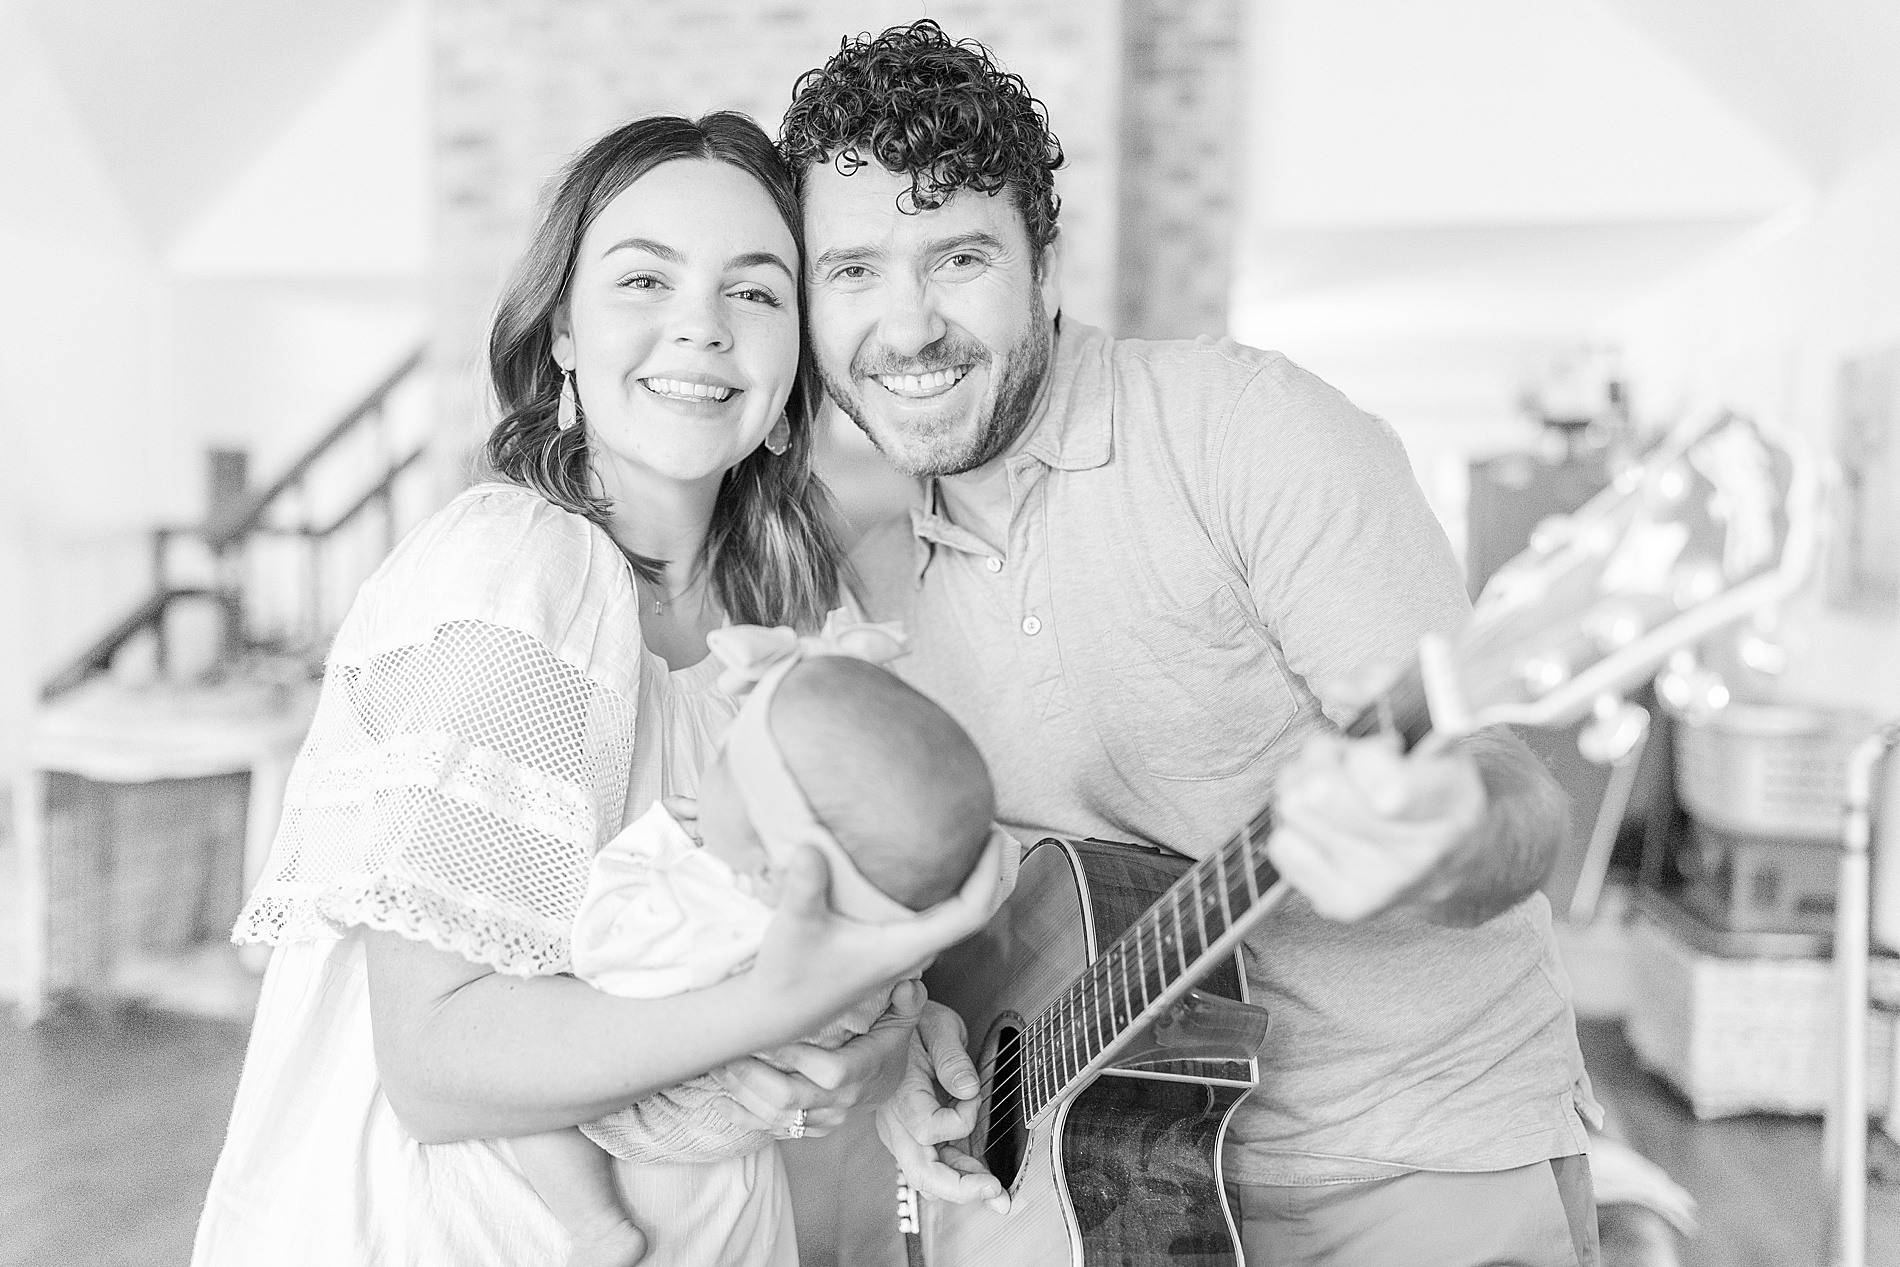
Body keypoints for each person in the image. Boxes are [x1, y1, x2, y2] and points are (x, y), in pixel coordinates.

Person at [778, 21, 1602, 1267]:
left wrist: (1436, 836)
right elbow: (945, 912)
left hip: (1413, 1157)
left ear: (1044, 265)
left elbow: (1517, 803)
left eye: (957, 256)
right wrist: (923, 1047)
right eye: (851, 271)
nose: (907, 326)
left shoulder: (1248, 435)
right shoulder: (873, 589)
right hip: (1105, 1192)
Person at [190, 111, 1001, 1267]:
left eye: (756, 293)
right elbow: (436, 1066)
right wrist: (789, 1002)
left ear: (796, 359)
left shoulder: (783, 629)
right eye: (644, 279)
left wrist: (882, 1044)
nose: (701, 328)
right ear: (564, 330)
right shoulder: (518, 569)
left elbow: (779, 965)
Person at [513, 627, 997, 1267]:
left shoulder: (716, 915)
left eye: (724, 765)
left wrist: (653, 843)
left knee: (519, 1086)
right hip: (752, 1119)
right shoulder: (870, 936)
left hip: (655, 1113)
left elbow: (605, 951)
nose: (710, 756)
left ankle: (598, 1225)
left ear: (774, 872)